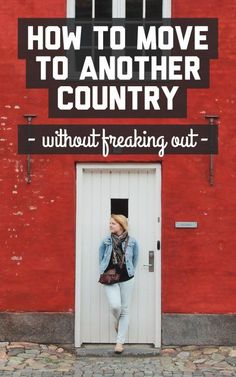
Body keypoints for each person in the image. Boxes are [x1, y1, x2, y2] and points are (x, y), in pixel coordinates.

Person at [99, 214, 139, 354]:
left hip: (127, 278)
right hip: (110, 278)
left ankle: (119, 343)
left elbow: (135, 259)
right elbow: (101, 257)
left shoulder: (132, 242)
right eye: (110, 223)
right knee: (116, 306)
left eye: (113, 223)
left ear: (121, 225)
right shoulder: (106, 241)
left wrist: (129, 272)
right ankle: (118, 320)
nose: (110, 225)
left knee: (125, 309)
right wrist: (104, 270)